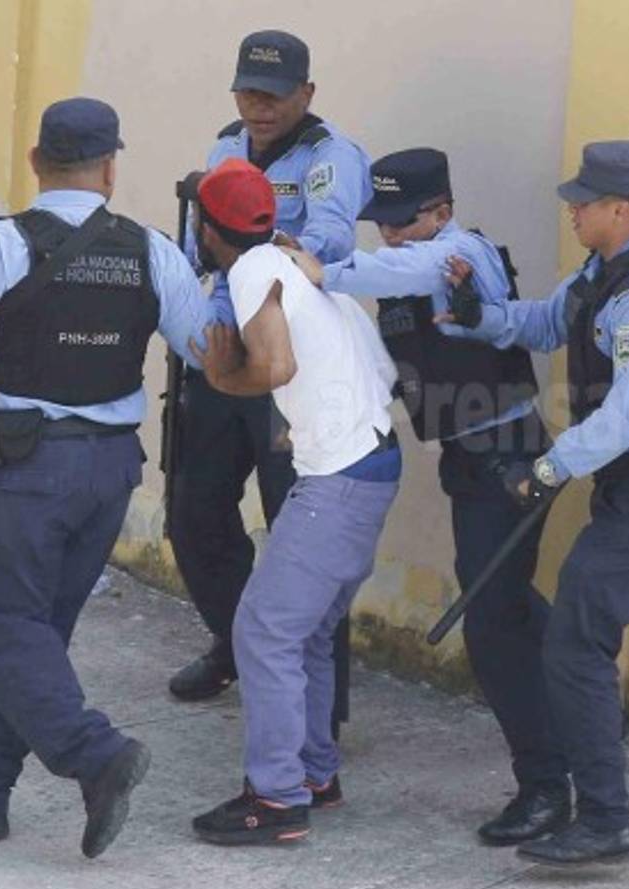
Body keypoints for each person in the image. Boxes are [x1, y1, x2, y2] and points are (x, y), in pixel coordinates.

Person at [0, 98, 213, 858]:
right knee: (33, 633)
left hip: (28, 465)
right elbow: (207, 349)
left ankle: (95, 754)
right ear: (112, 168)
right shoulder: (152, 252)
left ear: (38, 163)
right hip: (111, 470)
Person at [441, 141, 629, 867]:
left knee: (575, 638)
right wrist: (479, 315)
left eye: (584, 199)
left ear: (622, 208)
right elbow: (545, 324)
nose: (571, 208)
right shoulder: (600, 273)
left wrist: (549, 467)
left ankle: (605, 820)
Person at [287, 148, 570, 846]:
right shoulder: (405, 264)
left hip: (511, 461)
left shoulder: (460, 252)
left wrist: (326, 268)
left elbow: (403, 268)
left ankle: (546, 785)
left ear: (441, 211)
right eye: (378, 222)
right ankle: (581, 693)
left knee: (492, 624)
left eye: (401, 221)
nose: (388, 235)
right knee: (510, 603)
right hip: (470, 465)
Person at [187, 159, 399, 844]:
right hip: (371, 465)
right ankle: (313, 772)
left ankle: (275, 801)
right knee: (304, 632)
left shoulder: (251, 270)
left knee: (264, 630)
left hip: (336, 479)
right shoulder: (297, 261)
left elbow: (275, 366)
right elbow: (382, 370)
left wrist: (225, 377)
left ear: (206, 227)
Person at [168, 28, 372, 704]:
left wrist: (262, 250)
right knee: (193, 513)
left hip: (289, 361)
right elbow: (204, 237)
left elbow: (328, 239)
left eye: (276, 96)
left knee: (300, 534)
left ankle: (322, 700)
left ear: (306, 93)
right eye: (249, 93)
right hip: (225, 351)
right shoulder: (227, 144)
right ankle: (237, 645)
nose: (261, 108)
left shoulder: (328, 155)